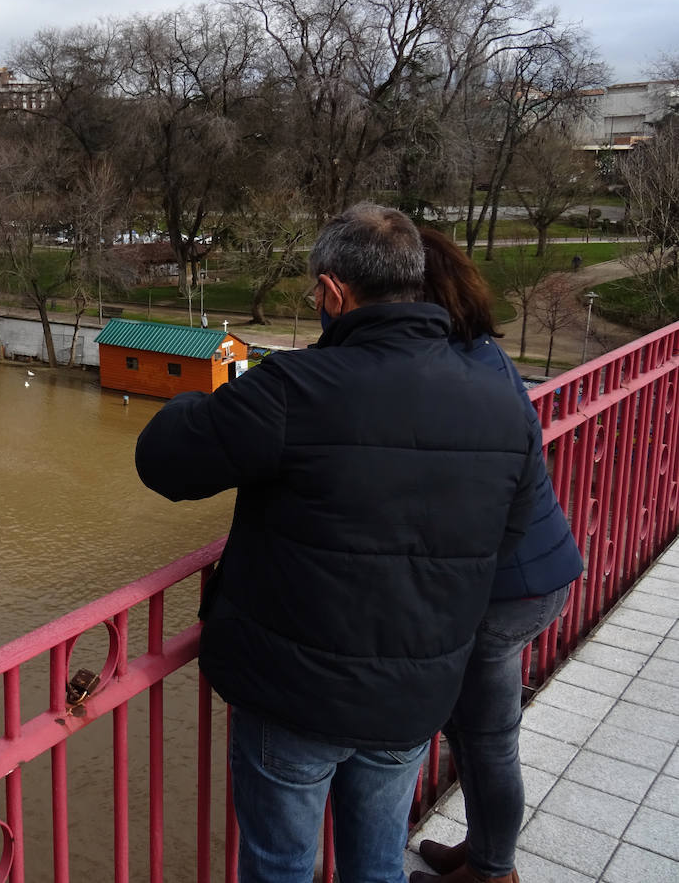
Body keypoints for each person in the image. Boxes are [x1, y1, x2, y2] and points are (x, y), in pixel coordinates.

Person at [135, 203, 542, 883]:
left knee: (282, 865)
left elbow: (163, 459)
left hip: (296, 697)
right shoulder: (502, 397)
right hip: (415, 692)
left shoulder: (294, 389)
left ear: (332, 293)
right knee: (378, 860)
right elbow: (511, 532)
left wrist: (195, 405)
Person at [411, 228, 583, 883]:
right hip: (534, 570)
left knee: (486, 739)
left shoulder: (445, 369)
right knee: (476, 731)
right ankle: (484, 852)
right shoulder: (479, 351)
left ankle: (493, 872)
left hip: (505, 587)